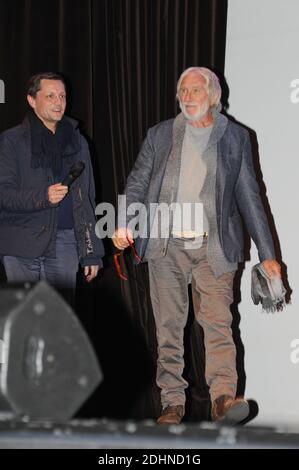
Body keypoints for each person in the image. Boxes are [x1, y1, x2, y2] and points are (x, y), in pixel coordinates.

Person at [112, 66, 281, 425]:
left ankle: (222, 399)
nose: (187, 97)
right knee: (169, 328)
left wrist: (268, 256)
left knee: (218, 323)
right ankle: (172, 403)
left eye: (195, 91)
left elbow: (251, 197)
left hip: (213, 247)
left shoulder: (234, 137)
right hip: (166, 245)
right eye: (183, 91)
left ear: (213, 96)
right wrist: (125, 221)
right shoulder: (160, 135)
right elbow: (139, 180)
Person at [0, 72, 104, 302]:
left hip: (64, 243)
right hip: (21, 242)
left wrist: (91, 253)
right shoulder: (11, 141)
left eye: (62, 96)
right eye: (50, 96)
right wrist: (43, 196)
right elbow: (3, 194)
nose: (58, 102)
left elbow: (86, 198)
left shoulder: (78, 142)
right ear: (32, 100)